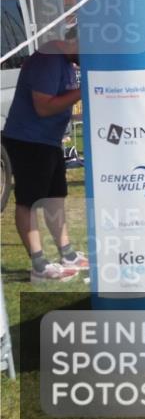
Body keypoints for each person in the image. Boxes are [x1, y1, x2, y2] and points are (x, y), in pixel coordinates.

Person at [1, 27, 89, 282]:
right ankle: (39, 265)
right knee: (28, 202)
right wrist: (83, 92)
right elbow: (43, 107)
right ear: (75, 41)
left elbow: (60, 105)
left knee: (55, 198)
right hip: (29, 141)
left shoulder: (66, 63)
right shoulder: (48, 59)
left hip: (48, 142)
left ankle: (67, 254)